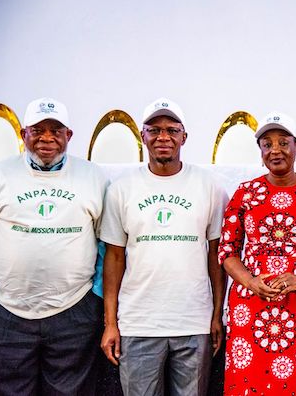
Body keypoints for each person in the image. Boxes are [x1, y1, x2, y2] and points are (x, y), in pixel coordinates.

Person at [0, 98, 107, 394]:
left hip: (74, 310)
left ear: (69, 136)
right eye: (38, 130)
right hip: (7, 312)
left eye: (55, 130)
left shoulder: (93, 177)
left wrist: (95, 297)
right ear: (24, 134)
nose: (46, 138)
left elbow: (105, 244)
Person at [99, 98, 227, 395]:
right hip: (138, 323)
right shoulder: (122, 189)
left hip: (193, 321)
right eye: (154, 130)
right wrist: (110, 323)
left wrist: (217, 314)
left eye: (172, 129)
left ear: (184, 136)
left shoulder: (209, 187)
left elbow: (216, 256)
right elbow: (114, 258)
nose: (163, 137)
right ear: (142, 136)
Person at [218, 112, 296, 395]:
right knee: (250, 383)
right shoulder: (245, 194)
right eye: (267, 144)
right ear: (260, 151)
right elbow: (227, 251)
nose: (275, 150)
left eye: (283, 142)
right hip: (251, 306)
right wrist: (250, 282)